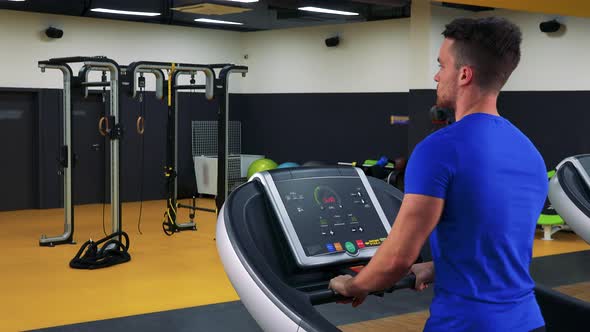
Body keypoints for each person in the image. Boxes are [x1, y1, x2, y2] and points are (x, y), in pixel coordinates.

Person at [329, 17, 548, 332]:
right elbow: (495, 247)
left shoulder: (439, 149)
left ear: (463, 74)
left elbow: (396, 260)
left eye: (441, 66)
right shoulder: (529, 151)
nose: (435, 75)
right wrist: (437, 267)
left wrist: (354, 286)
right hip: (529, 323)